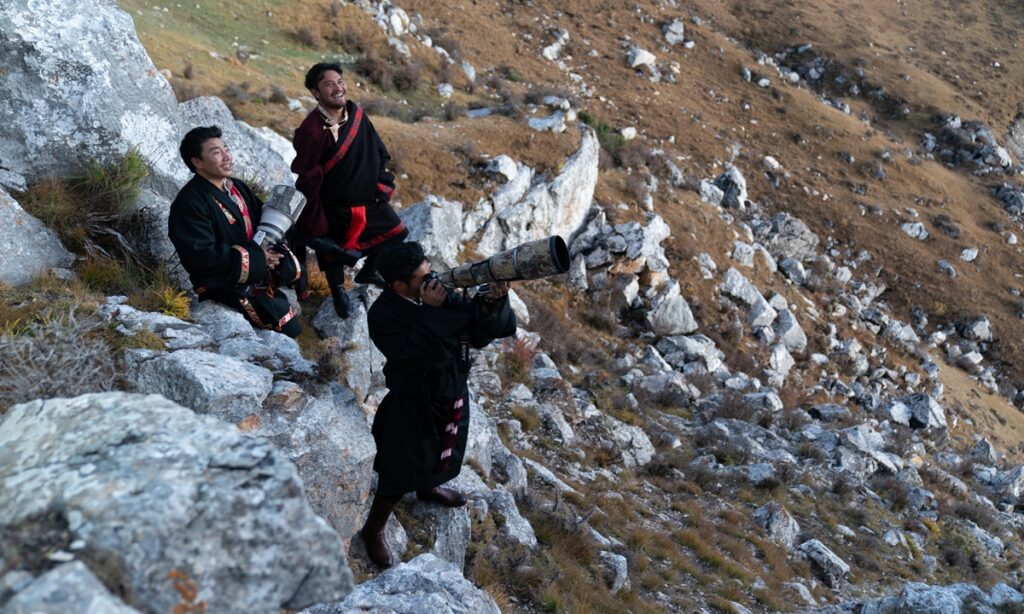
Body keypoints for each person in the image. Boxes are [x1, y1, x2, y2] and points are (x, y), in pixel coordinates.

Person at [361, 242, 517, 568]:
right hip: (413, 400)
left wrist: (493, 300)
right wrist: (432, 313)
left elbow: (480, 332)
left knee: (444, 452)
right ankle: (373, 530)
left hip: (452, 392)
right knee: (399, 469)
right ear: (399, 286)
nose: (432, 281)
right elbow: (415, 357)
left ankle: (428, 487)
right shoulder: (383, 314)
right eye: (422, 278)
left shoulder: (440, 293)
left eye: (430, 271)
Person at [291, 62, 408, 318]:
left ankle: (369, 270)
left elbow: (379, 152)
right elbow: (308, 177)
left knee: (397, 232)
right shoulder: (310, 131)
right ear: (315, 92)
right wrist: (314, 216)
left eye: (340, 81)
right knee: (331, 251)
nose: (338, 88)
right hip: (333, 207)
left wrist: (381, 185)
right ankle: (337, 291)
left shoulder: (357, 115)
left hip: (367, 202)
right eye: (328, 84)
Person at [169, 126, 302, 337]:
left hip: (254, 276)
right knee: (289, 330)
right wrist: (259, 258)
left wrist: (273, 252)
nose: (227, 157)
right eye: (216, 152)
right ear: (197, 162)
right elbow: (201, 255)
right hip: (222, 286)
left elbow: (263, 224)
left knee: (293, 324)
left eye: (226, 149)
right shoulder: (189, 202)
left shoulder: (237, 187)